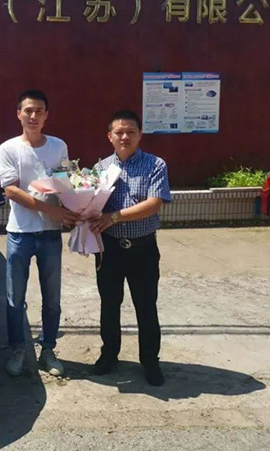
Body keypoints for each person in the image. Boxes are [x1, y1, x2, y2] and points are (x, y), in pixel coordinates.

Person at [0, 90, 79, 377]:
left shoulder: (58, 146)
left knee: (52, 298)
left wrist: (76, 208)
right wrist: (51, 210)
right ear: (18, 114)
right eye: (28, 110)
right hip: (20, 233)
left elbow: (65, 182)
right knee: (14, 298)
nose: (33, 116)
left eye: (39, 111)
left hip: (50, 235)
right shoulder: (8, 148)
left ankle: (48, 350)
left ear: (46, 116)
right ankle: (18, 349)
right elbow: (11, 190)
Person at [87, 109, 171, 386]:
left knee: (145, 306)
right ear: (109, 136)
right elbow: (92, 203)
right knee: (109, 304)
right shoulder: (101, 168)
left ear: (139, 135)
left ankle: (150, 361)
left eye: (130, 132)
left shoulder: (155, 165)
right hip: (109, 249)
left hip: (142, 249)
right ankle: (109, 355)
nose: (125, 137)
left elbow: (154, 203)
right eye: (119, 132)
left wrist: (114, 217)